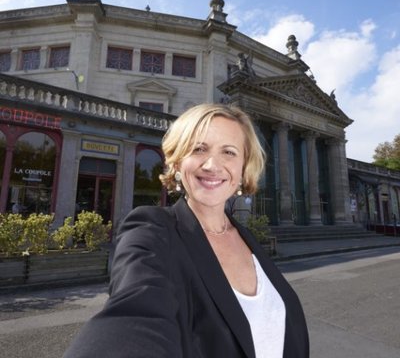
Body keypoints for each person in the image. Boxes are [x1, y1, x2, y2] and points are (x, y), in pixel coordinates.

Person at [63, 103, 309, 358]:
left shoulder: (246, 237)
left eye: (229, 152)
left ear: (243, 167)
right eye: (199, 148)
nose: (213, 165)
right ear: (178, 162)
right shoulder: (151, 230)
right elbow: (135, 313)